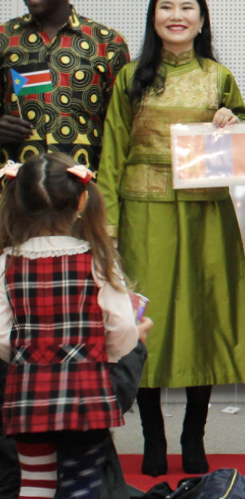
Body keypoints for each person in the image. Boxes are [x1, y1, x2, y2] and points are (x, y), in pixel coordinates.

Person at [95, 0, 245, 477]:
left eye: (187, 7)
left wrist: (232, 120)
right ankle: (152, 438)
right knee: (149, 323)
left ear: (202, 19)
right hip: (145, 213)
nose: (177, 15)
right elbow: (113, 152)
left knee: (204, 322)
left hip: (205, 212)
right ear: (154, 18)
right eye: (166, 7)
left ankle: (193, 436)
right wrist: (108, 226)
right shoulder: (131, 77)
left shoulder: (218, 76)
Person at [0, 155, 141, 498]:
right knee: (83, 480)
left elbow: (2, 338)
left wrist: (29, 356)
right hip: (86, 395)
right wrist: (104, 353)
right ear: (82, 199)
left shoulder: (6, 262)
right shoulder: (98, 259)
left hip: (27, 395)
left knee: (34, 482)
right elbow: (122, 327)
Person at [0, 0, 130, 169]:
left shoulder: (107, 43)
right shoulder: (4, 39)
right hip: (17, 191)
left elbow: (121, 127)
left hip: (82, 190)